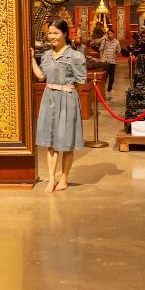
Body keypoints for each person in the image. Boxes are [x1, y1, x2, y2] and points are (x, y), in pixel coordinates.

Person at [30, 19, 87, 193]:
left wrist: (67, 95)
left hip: (68, 100)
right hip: (49, 100)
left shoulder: (76, 56)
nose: (52, 36)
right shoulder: (46, 55)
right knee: (51, 142)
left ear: (65, 34)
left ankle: (64, 178)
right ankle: (51, 179)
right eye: (50, 33)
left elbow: (80, 83)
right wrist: (32, 59)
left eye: (56, 33)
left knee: (66, 143)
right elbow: (41, 76)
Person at [98, 27, 121, 95]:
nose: (110, 34)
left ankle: (110, 88)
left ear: (113, 34)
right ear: (107, 34)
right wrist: (101, 59)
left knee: (112, 76)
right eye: (108, 33)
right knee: (104, 76)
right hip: (105, 61)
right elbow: (101, 50)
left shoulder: (117, 42)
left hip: (112, 61)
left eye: (111, 33)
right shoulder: (104, 41)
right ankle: (102, 88)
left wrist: (116, 54)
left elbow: (119, 51)